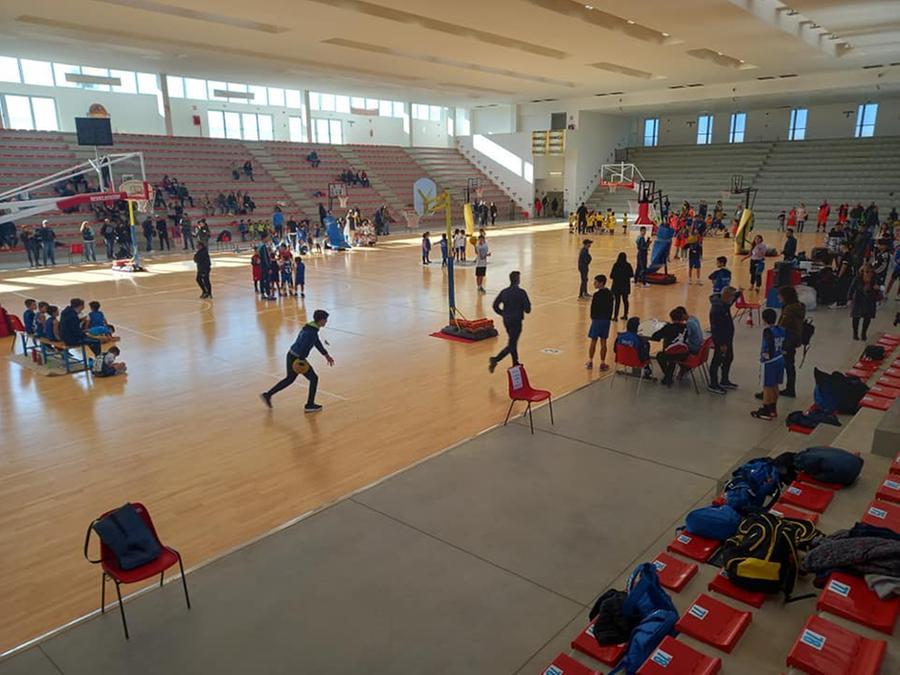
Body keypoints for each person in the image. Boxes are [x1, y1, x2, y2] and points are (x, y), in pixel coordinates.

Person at [260, 309, 334, 413]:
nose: (326, 322)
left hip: (291, 354)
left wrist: (326, 355)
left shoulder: (311, 327)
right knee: (314, 378)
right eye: (325, 320)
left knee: (289, 379)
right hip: (297, 358)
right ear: (321, 320)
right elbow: (305, 346)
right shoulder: (312, 332)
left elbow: (316, 342)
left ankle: (268, 395)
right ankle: (309, 405)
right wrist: (301, 361)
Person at [488, 271, 531, 373]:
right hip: (516, 321)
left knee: (512, 341)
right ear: (518, 280)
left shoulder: (504, 292)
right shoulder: (521, 293)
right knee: (512, 344)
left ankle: (515, 362)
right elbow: (528, 309)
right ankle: (495, 359)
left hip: (507, 321)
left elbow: (495, 305)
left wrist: (503, 313)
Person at [751, 308, 786, 420]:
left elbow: (769, 346)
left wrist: (766, 356)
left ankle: (766, 409)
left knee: (767, 386)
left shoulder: (767, 331)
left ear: (764, 319)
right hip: (780, 358)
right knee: (775, 384)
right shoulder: (781, 329)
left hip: (770, 362)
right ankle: (773, 408)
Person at [708, 287, 738, 394]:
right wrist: (722, 344)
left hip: (727, 339)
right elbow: (717, 328)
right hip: (721, 340)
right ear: (727, 296)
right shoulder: (717, 309)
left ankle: (724, 380)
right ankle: (713, 384)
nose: (733, 299)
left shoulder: (724, 304)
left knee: (729, 358)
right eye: (732, 297)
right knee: (717, 360)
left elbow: (732, 300)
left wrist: (738, 293)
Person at [776, 285, 805, 398]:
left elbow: (782, 325)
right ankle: (790, 388)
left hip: (786, 341)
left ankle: (772, 388)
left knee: (778, 364)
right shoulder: (799, 307)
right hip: (794, 340)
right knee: (790, 365)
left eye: (780, 295)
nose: (778, 297)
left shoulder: (789, 309)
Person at [650, 308, 689, 387]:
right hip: (684, 354)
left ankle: (668, 376)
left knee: (660, 356)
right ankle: (668, 376)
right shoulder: (686, 327)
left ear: (671, 318)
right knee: (673, 357)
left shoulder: (668, 327)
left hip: (671, 354)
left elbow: (655, 337)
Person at [586, 274, 613, 371]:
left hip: (597, 320)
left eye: (596, 282)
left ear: (601, 283)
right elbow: (611, 308)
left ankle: (590, 361)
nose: (594, 284)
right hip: (606, 320)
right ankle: (602, 362)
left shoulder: (596, 295)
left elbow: (593, 308)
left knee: (593, 341)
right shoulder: (610, 294)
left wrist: (593, 317)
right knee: (603, 341)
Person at [850, 265, 881, 341]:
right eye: (867, 272)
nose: (869, 274)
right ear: (863, 271)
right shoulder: (858, 278)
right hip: (859, 299)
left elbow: (881, 288)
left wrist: (878, 288)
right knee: (856, 317)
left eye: (871, 272)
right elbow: (852, 288)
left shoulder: (875, 279)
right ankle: (855, 333)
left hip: (870, 300)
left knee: (867, 317)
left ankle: (864, 333)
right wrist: (849, 298)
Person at [610, 252, 633, 321]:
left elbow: (611, 276)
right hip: (625, 285)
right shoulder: (628, 265)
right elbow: (631, 274)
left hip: (617, 285)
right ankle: (625, 315)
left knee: (617, 301)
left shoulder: (616, 265)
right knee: (625, 300)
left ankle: (615, 316)